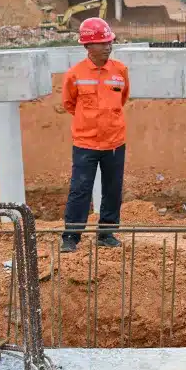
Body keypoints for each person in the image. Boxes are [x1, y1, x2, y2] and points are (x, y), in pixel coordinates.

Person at [60, 17, 130, 253]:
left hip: (114, 143)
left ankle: (106, 233)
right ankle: (71, 236)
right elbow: (69, 103)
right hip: (85, 143)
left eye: (109, 41)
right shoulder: (74, 74)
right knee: (80, 189)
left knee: (112, 189)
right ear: (88, 46)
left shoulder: (120, 70)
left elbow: (122, 98)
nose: (108, 46)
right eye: (102, 42)